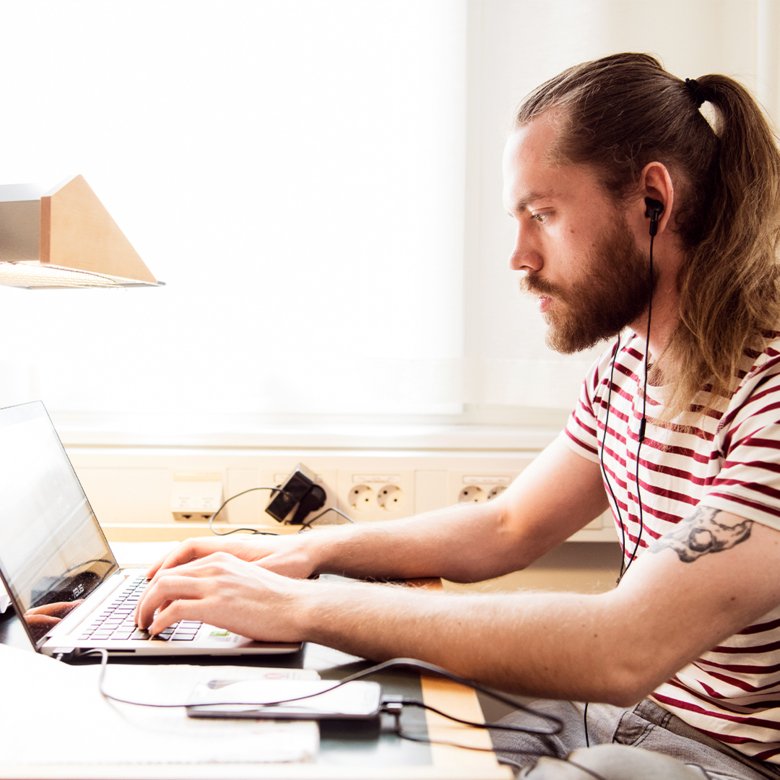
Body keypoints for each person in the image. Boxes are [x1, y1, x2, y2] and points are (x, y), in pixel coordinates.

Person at [135, 53, 780, 778]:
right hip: (620, 717)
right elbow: (507, 526)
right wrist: (311, 558)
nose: (518, 255)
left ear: (651, 201)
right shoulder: (629, 365)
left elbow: (620, 646)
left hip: (728, 756)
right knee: (356, 722)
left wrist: (298, 608)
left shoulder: (772, 396)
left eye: (544, 214)